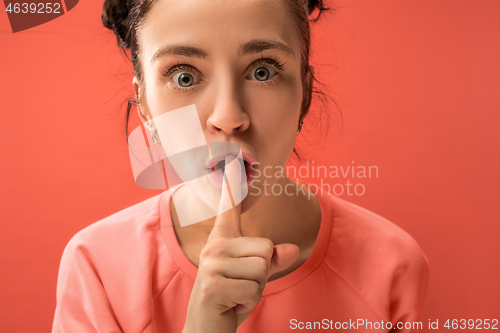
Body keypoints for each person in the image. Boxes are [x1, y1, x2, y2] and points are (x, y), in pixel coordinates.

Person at [51, 0, 430, 332]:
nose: (229, 117)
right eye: (184, 76)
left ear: (305, 96)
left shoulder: (392, 264)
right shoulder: (97, 266)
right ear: (146, 106)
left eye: (262, 71)